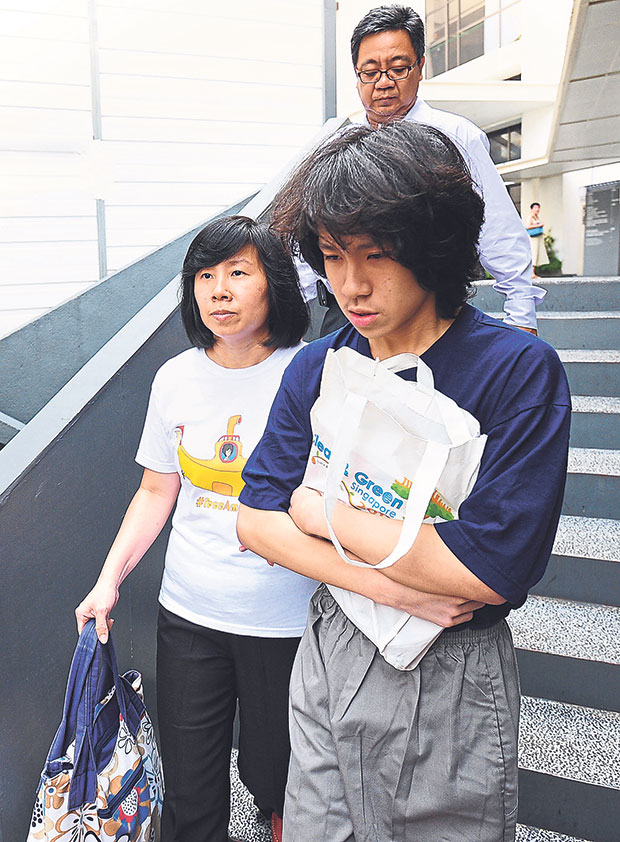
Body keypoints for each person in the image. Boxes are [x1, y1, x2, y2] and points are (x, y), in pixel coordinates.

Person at [237, 122, 571, 841]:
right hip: (334, 638)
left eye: (376, 256)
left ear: (435, 248)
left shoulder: (516, 372)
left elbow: (487, 568)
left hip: (450, 663)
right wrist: (386, 581)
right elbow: (256, 519)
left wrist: (319, 511)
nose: (350, 286)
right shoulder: (317, 365)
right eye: (331, 257)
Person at [75, 215, 315, 842]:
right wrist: (109, 580)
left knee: (284, 786)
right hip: (189, 614)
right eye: (205, 276)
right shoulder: (175, 378)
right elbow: (157, 489)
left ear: (274, 286)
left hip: (286, 620)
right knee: (189, 791)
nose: (220, 290)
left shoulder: (310, 374)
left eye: (239, 272)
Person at [305, 3, 545, 337]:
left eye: (398, 68)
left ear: (419, 67)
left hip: (430, 314)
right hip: (348, 315)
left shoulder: (457, 137)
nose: (383, 82)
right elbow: (313, 236)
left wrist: (521, 315)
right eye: (370, 72)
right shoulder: (339, 145)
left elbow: (499, 228)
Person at [527, 201, 549, 276]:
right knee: (534, 253)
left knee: (537, 254)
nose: (537, 209)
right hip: (533, 238)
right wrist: (539, 225)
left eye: (538, 208)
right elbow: (528, 226)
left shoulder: (536, 217)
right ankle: (532, 273)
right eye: (535, 208)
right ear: (532, 209)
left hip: (538, 237)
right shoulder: (531, 217)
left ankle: (533, 272)